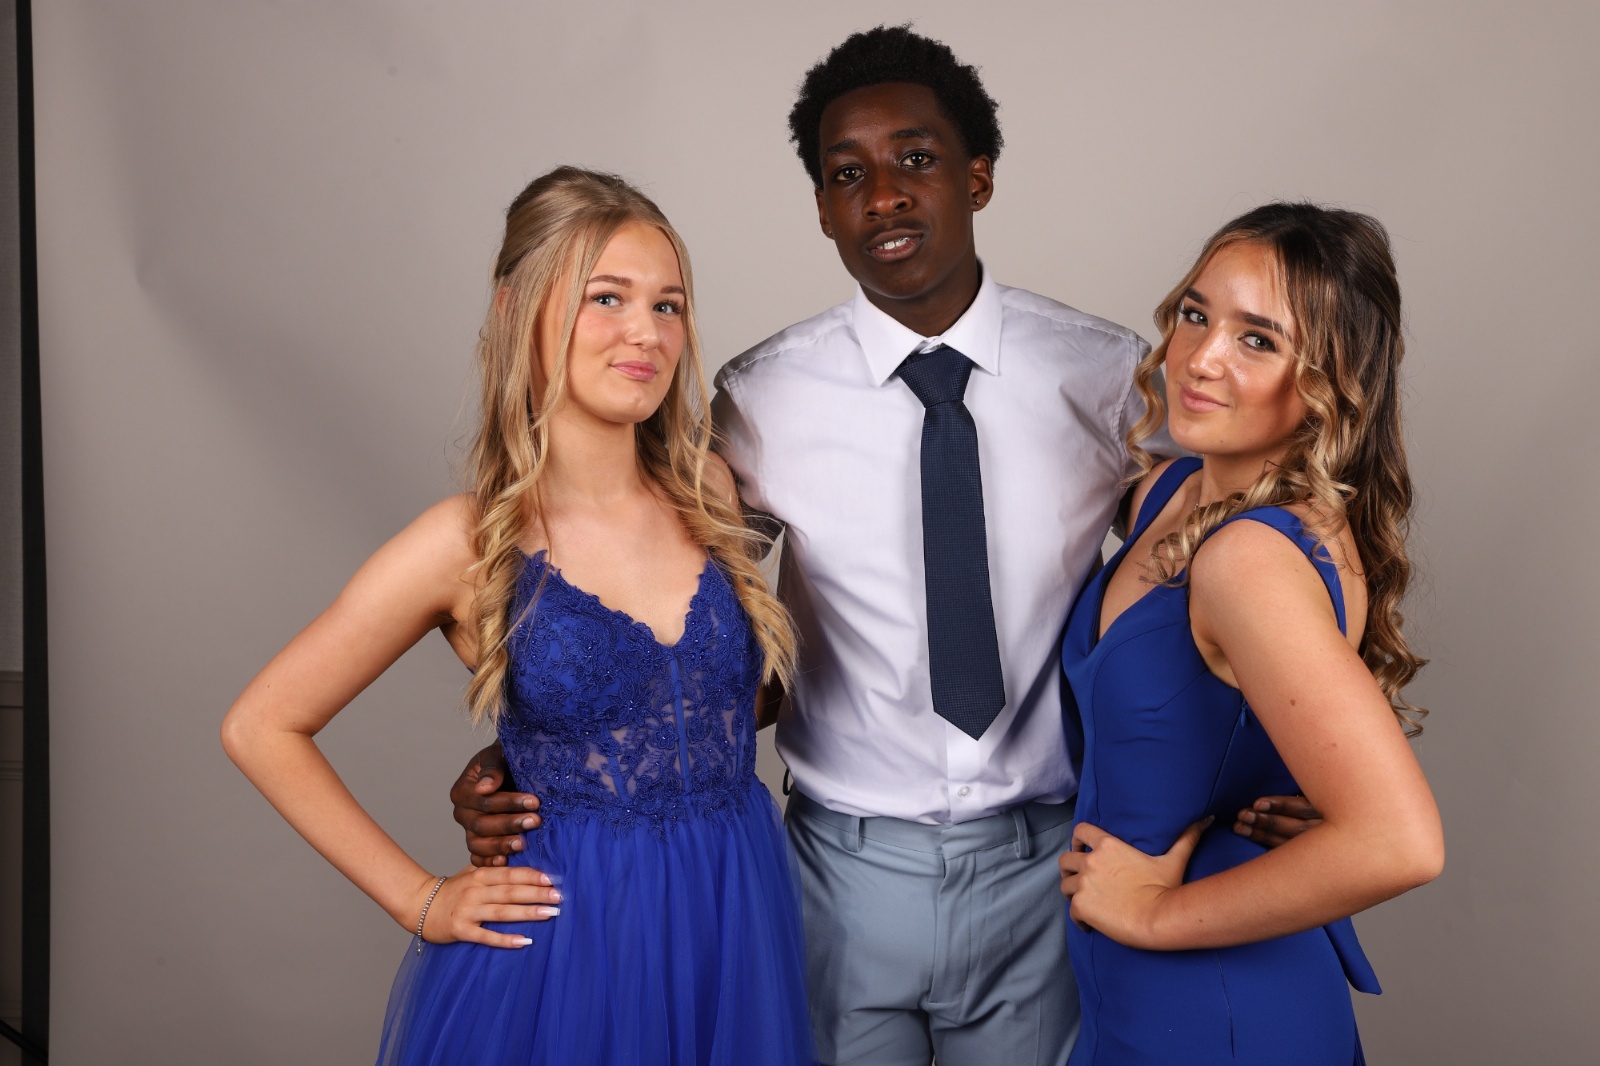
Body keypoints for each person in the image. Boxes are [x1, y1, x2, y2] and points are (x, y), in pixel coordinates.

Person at [452, 27, 1318, 1066]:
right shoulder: (760, 398)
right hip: (839, 869)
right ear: (823, 209)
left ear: (978, 175)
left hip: (1044, 859)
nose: (885, 196)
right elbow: (677, 627)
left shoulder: (1105, 376)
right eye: (847, 174)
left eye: (916, 159)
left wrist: (1302, 753)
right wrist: (546, 750)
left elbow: (1243, 552)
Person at [221, 166, 816, 1065]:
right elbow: (261, 725)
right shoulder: (464, 542)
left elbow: (712, 701)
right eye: (606, 298)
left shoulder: (710, 491)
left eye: (668, 305)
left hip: (733, 916)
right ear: (518, 310)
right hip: (568, 948)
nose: (646, 333)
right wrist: (420, 898)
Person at [1056, 203, 1445, 1064]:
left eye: (1258, 340)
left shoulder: (1249, 561)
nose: (1200, 358)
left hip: (1214, 1002)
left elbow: (1400, 841)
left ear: (1330, 380)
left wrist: (1154, 913)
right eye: (1197, 315)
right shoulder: (1172, 491)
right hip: (1143, 991)